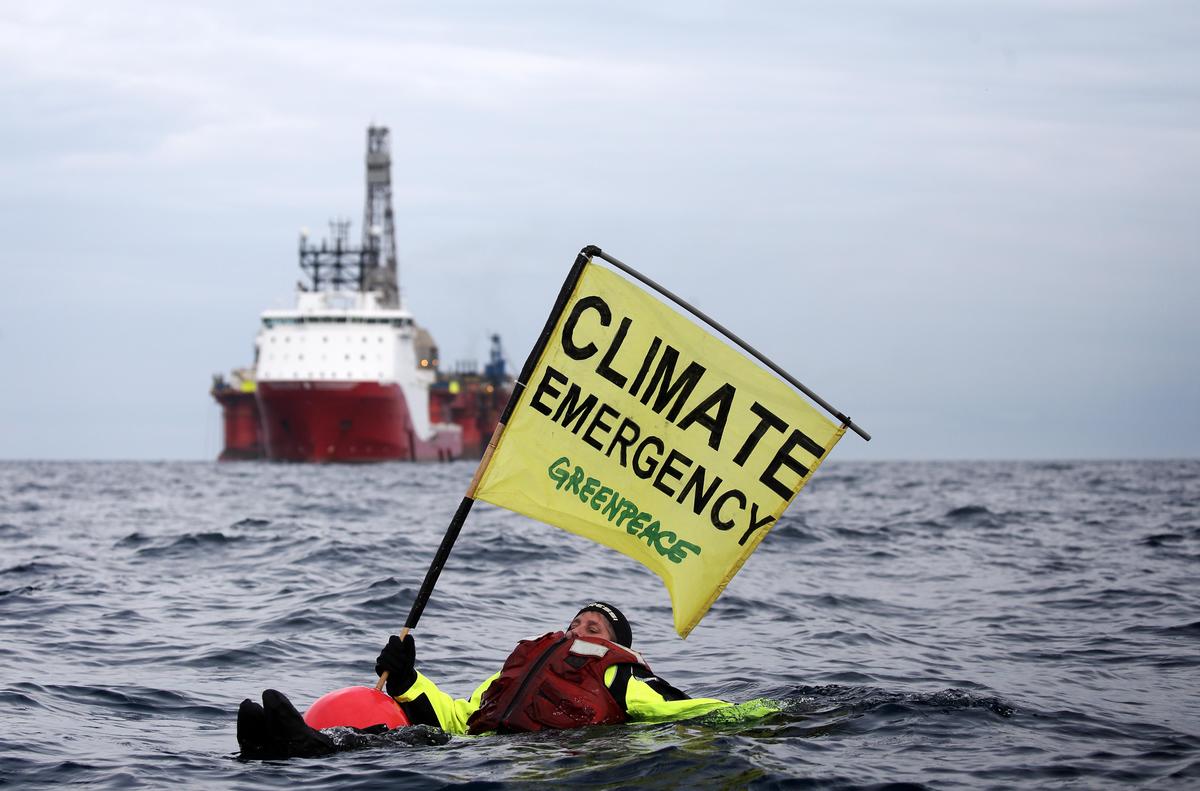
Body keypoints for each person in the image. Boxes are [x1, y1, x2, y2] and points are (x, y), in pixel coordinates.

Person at [374, 601, 731, 735]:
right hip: (483, 758)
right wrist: (406, 679)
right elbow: (455, 720)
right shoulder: (516, 673)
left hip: (556, 765)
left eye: (594, 629)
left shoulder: (618, 675)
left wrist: (772, 715)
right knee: (371, 740)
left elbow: (684, 711)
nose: (579, 631)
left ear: (616, 646)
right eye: (575, 624)